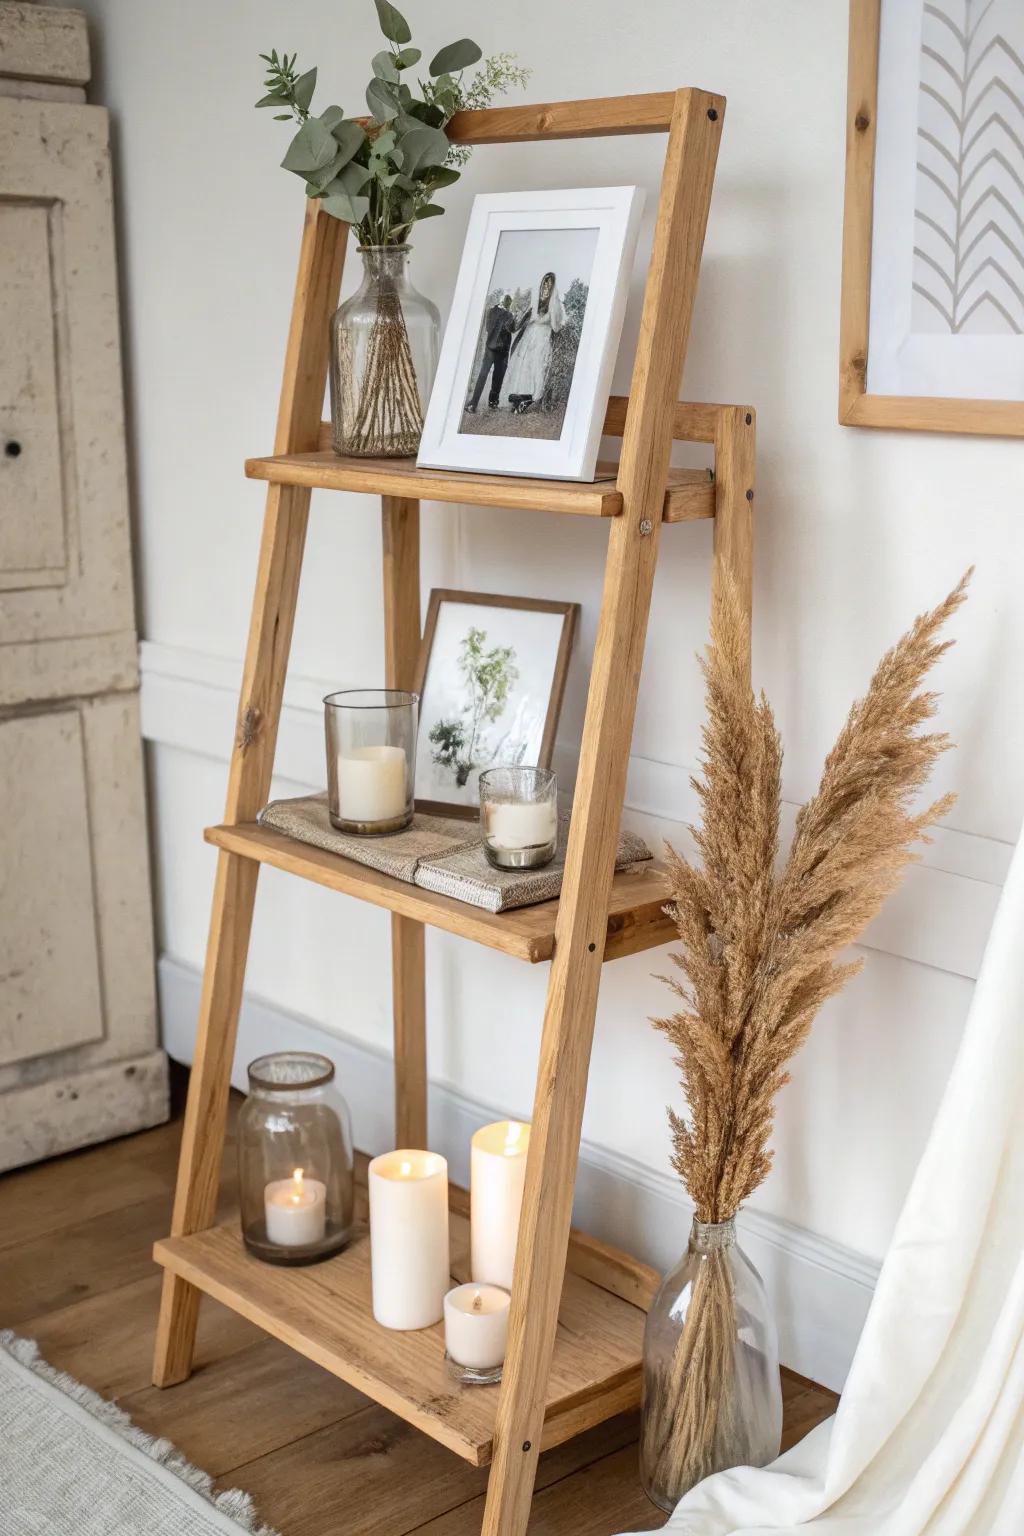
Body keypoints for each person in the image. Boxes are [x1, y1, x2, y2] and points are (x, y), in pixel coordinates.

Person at [503, 271, 564, 414]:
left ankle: (529, 397)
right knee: (524, 366)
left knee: (537, 368)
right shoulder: (535, 302)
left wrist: (554, 315)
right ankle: (519, 397)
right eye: (544, 285)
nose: (545, 289)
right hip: (529, 338)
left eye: (549, 286)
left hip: (542, 340)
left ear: (552, 288)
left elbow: (556, 327)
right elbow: (525, 320)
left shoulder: (554, 305)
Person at [465, 294, 516, 412]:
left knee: (482, 375)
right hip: (502, 351)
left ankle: (473, 403)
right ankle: (493, 403)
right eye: (509, 301)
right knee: (498, 377)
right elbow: (512, 329)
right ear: (507, 302)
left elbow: (488, 328)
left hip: (490, 348)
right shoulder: (509, 315)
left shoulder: (491, 311)